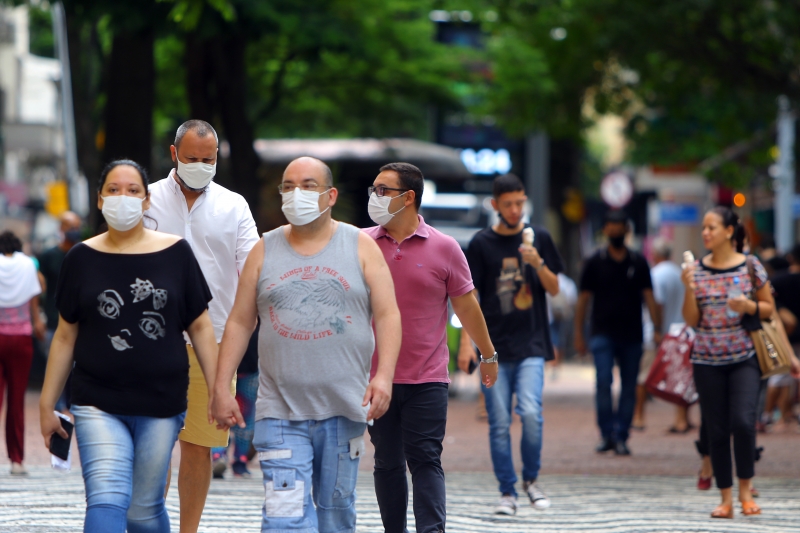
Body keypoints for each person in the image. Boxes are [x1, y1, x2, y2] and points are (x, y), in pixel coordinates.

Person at [212, 156, 402, 532]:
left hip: (344, 409)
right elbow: (239, 320)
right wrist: (222, 387)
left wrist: (384, 377)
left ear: (330, 195)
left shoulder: (361, 246)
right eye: (288, 185)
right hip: (279, 411)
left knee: (335, 517)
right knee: (285, 520)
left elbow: (388, 314)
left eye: (308, 185)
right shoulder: (264, 249)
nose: (296, 193)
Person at [39, 160, 219, 533]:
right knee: (106, 497)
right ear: (100, 199)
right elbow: (65, 335)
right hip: (96, 401)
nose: (124, 198)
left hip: (161, 402)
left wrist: (220, 390)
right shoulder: (80, 258)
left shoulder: (176, 253)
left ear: (147, 199)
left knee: (143, 509)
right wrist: (46, 405)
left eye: (133, 190)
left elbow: (200, 326)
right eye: (114, 190)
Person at [363, 162, 498, 533]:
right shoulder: (361, 244)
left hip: (427, 378)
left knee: (425, 459)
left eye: (383, 190)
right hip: (376, 380)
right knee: (387, 462)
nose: (374, 197)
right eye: (373, 189)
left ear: (409, 198)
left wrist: (487, 355)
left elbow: (467, 307)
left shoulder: (445, 248)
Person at [145, 119, 259, 532]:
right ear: (174, 154)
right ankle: (149, 524)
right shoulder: (147, 200)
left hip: (211, 346)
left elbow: (252, 272)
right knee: (151, 448)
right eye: (192, 158)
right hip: (150, 344)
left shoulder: (234, 206)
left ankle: (188, 530)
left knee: (198, 447)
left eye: (208, 160)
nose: (200, 166)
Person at [681, 206, 800, 518]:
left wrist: (748, 304)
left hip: (744, 358)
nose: (705, 233)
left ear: (729, 232)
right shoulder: (698, 269)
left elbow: (769, 309)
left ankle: (746, 491)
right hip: (706, 360)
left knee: (744, 423)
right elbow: (692, 320)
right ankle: (725, 498)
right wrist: (688, 288)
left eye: (712, 227)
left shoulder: (750, 266)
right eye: (704, 228)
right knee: (717, 431)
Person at [462, 173, 564, 516]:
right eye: (508, 204)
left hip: (532, 343)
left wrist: (538, 263)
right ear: (495, 205)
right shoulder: (480, 244)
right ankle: (507, 491)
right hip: (492, 349)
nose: (515, 209)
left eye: (520, 202)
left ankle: (531, 480)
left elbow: (554, 289)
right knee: (499, 421)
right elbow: (469, 297)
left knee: (532, 413)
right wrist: (467, 344)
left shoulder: (540, 238)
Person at [574, 209, 660, 456]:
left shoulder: (638, 262)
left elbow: (650, 297)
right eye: (611, 226)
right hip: (602, 332)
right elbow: (583, 300)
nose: (615, 230)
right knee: (603, 382)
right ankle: (606, 434)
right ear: (605, 230)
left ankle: (622, 434)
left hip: (632, 334)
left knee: (629, 386)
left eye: (619, 226)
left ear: (627, 230)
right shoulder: (594, 262)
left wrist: (657, 329)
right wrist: (579, 333)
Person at [0, 230, 45, 475]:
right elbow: (34, 303)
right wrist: (38, 323)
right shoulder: (28, 264)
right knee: (17, 402)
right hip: (21, 339)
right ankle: (17, 460)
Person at [632, 237, 687, 432]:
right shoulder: (679, 273)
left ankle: (639, 416)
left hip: (658, 332)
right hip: (681, 330)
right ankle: (681, 419)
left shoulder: (655, 275)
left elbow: (658, 304)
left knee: (643, 376)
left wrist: (657, 328)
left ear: (655, 255)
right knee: (681, 376)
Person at [38, 211, 83, 411]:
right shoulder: (48, 256)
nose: (74, 231)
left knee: (77, 366)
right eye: (69, 226)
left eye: (76, 227)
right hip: (54, 320)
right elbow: (39, 286)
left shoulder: (85, 253)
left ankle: (75, 405)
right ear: (61, 229)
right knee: (55, 365)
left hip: (81, 322)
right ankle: (56, 407)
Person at [212, 322, 260, 479]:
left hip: (244, 364)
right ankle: (233, 460)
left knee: (241, 415)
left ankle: (222, 456)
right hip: (241, 362)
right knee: (235, 413)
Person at [765, 243, 800, 432]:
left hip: (782, 336)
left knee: (779, 378)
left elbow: (771, 310)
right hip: (794, 337)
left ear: (791, 258)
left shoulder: (778, 281)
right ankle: (785, 415)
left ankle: (768, 416)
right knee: (789, 379)